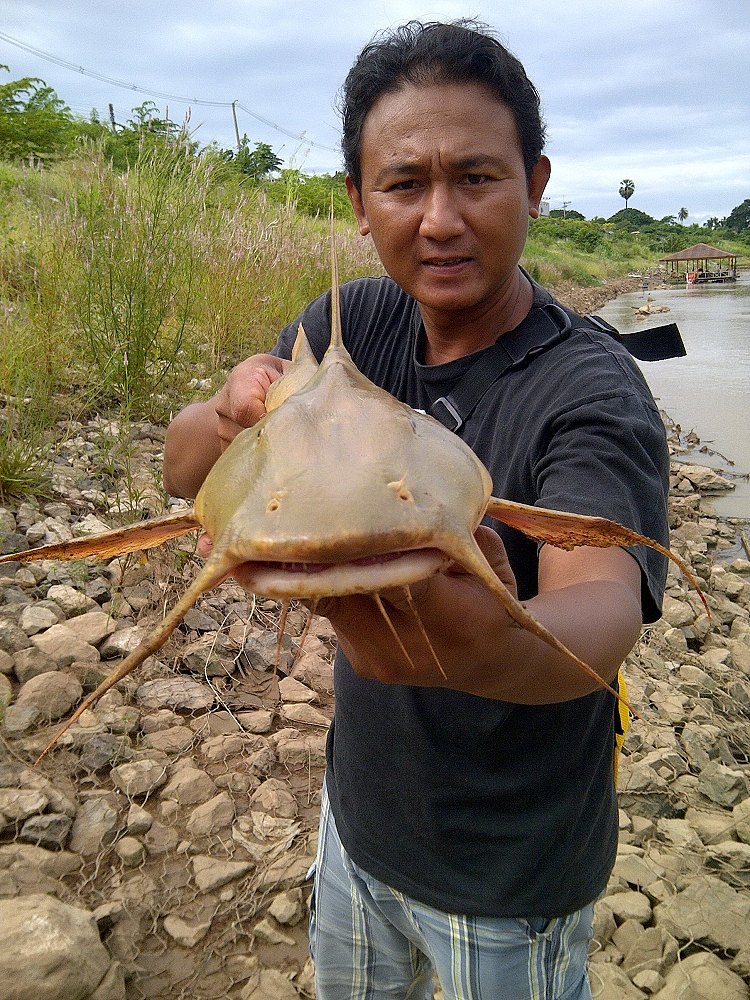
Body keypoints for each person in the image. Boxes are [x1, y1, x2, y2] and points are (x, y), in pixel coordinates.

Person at [163, 20, 670, 1000]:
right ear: (359, 201)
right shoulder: (342, 335)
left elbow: (601, 611)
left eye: (477, 178)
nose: (440, 219)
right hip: (358, 823)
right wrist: (229, 410)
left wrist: (477, 638)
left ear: (537, 182)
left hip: (511, 872)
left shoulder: (590, 388)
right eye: (404, 185)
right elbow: (187, 473)